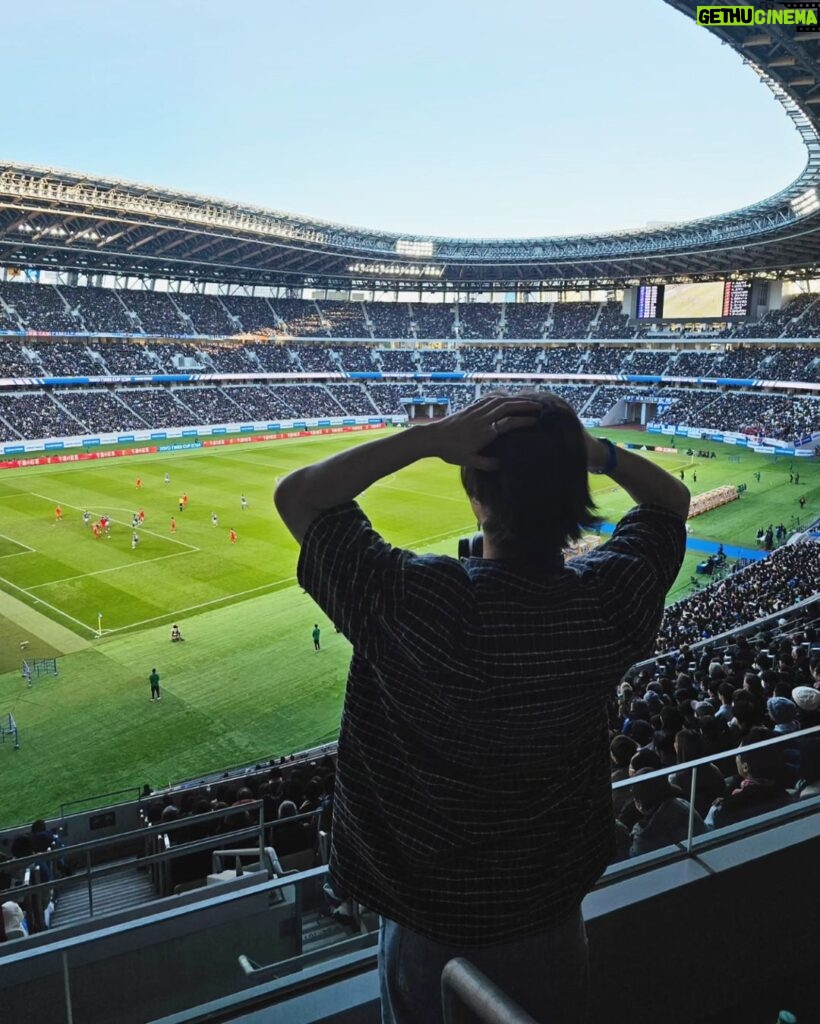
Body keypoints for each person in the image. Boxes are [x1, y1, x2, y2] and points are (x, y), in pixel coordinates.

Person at [274, 392, 689, 1024]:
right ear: (575, 495)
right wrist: (593, 451)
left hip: (425, 925)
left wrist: (424, 438)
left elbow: (297, 495)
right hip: (552, 914)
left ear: (477, 497)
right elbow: (670, 505)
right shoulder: (605, 603)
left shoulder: (417, 603)